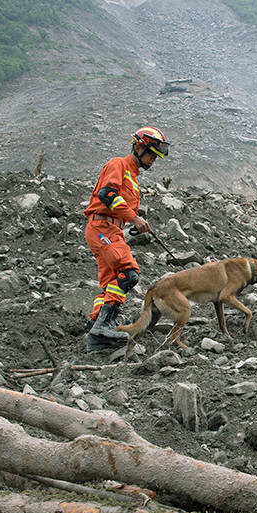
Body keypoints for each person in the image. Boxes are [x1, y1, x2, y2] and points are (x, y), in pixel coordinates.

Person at [83, 126, 170, 350]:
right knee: (128, 274)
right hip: (102, 227)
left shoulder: (132, 176)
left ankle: (96, 330)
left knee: (111, 281)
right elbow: (107, 194)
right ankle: (104, 325)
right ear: (139, 146)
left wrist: (130, 222)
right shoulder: (118, 165)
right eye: (151, 154)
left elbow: (118, 206)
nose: (153, 160)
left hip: (111, 229)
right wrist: (135, 219)